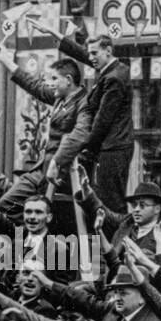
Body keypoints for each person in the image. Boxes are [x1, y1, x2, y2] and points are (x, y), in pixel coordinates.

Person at [0, 49, 92, 210]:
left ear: (69, 80)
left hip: (62, 175)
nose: (50, 83)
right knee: (6, 204)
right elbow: (34, 86)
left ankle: (35, 228)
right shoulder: (60, 98)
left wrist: (56, 163)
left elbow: (80, 135)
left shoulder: (85, 103)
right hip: (42, 170)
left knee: (34, 210)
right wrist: (5, 60)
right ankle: (33, 229)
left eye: (55, 78)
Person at [56, 33, 133, 213]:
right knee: (107, 198)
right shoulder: (115, 69)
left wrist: (85, 146)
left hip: (113, 148)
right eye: (89, 54)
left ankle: (117, 240)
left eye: (94, 54)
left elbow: (103, 120)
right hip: (114, 146)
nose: (91, 59)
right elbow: (86, 55)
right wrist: (59, 37)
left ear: (108, 51)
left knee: (111, 201)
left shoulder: (113, 77)